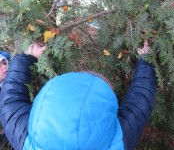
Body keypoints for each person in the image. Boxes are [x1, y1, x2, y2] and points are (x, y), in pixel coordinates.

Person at [0, 40, 156, 150]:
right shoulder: (118, 140)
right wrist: (145, 61)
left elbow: (10, 96)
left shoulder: (27, 139)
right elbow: (140, 99)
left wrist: (27, 57)